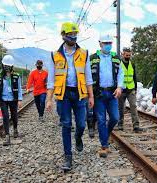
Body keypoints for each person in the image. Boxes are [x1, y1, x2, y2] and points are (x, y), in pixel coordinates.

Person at [46, 22, 94, 171]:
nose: (73, 37)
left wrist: (91, 96)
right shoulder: (55, 56)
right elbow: (51, 81)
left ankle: (78, 137)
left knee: (81, 124)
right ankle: (68, 157)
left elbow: (88, 77)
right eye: (70, 35)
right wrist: (48, 99)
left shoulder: (84, 53)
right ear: (63, 36)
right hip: (64, 95)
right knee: (66, 124)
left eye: (75, 35)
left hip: (80, 94)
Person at [90, 34, 124, 158]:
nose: (108, 45)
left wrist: (120, 87)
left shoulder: (116, 58)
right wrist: (90, 94)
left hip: (112, 93)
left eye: (110, 43)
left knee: (115, 117)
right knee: (101, 120)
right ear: (100, 43)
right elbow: (88, 76)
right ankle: (104, 145)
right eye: (105, 43)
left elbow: (121, 73)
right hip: (98, 93)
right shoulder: (92, 58)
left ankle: (105, 134)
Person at [0, 55, 23, 146]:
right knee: (5, 116)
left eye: (8, 66)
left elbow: (19, 88)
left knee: (14, 115)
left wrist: (19, 100)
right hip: (2, 99)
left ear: (11, 66)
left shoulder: (16, 76)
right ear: (3, 65)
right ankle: (7, 136)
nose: (7, 68)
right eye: (5, 65)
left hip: (13, 99)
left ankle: (15, 129)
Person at [118, 47, 142, 132]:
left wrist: (135, 88)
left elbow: (134, 77)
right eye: (126, 55)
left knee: (133, 107)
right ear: (123, 54)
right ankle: (120, 124)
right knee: (120, 108)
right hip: (121, 89)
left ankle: (136, 126)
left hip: (131, 89)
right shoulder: (119, 64)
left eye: (129, 55)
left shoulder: (132, 64)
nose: (128, 56)